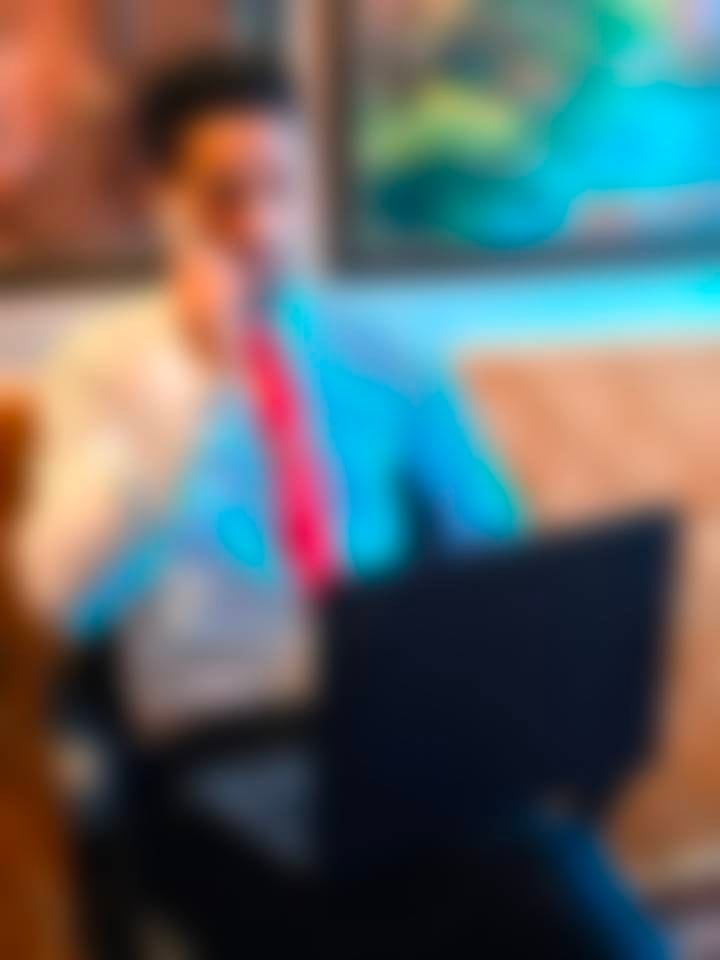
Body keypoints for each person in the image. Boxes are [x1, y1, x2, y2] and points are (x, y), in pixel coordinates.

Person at [16, 51, 667, 958]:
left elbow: (491, 534)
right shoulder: (103, 370)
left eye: (279, 189)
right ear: (160, 199)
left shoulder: (379, 352)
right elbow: (60, 593)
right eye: (223, 196)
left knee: (549, 881)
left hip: (390, 732)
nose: (259, 228)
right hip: (214, 754)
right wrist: (191, 384)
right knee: (431, 903)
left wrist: (522, 694)